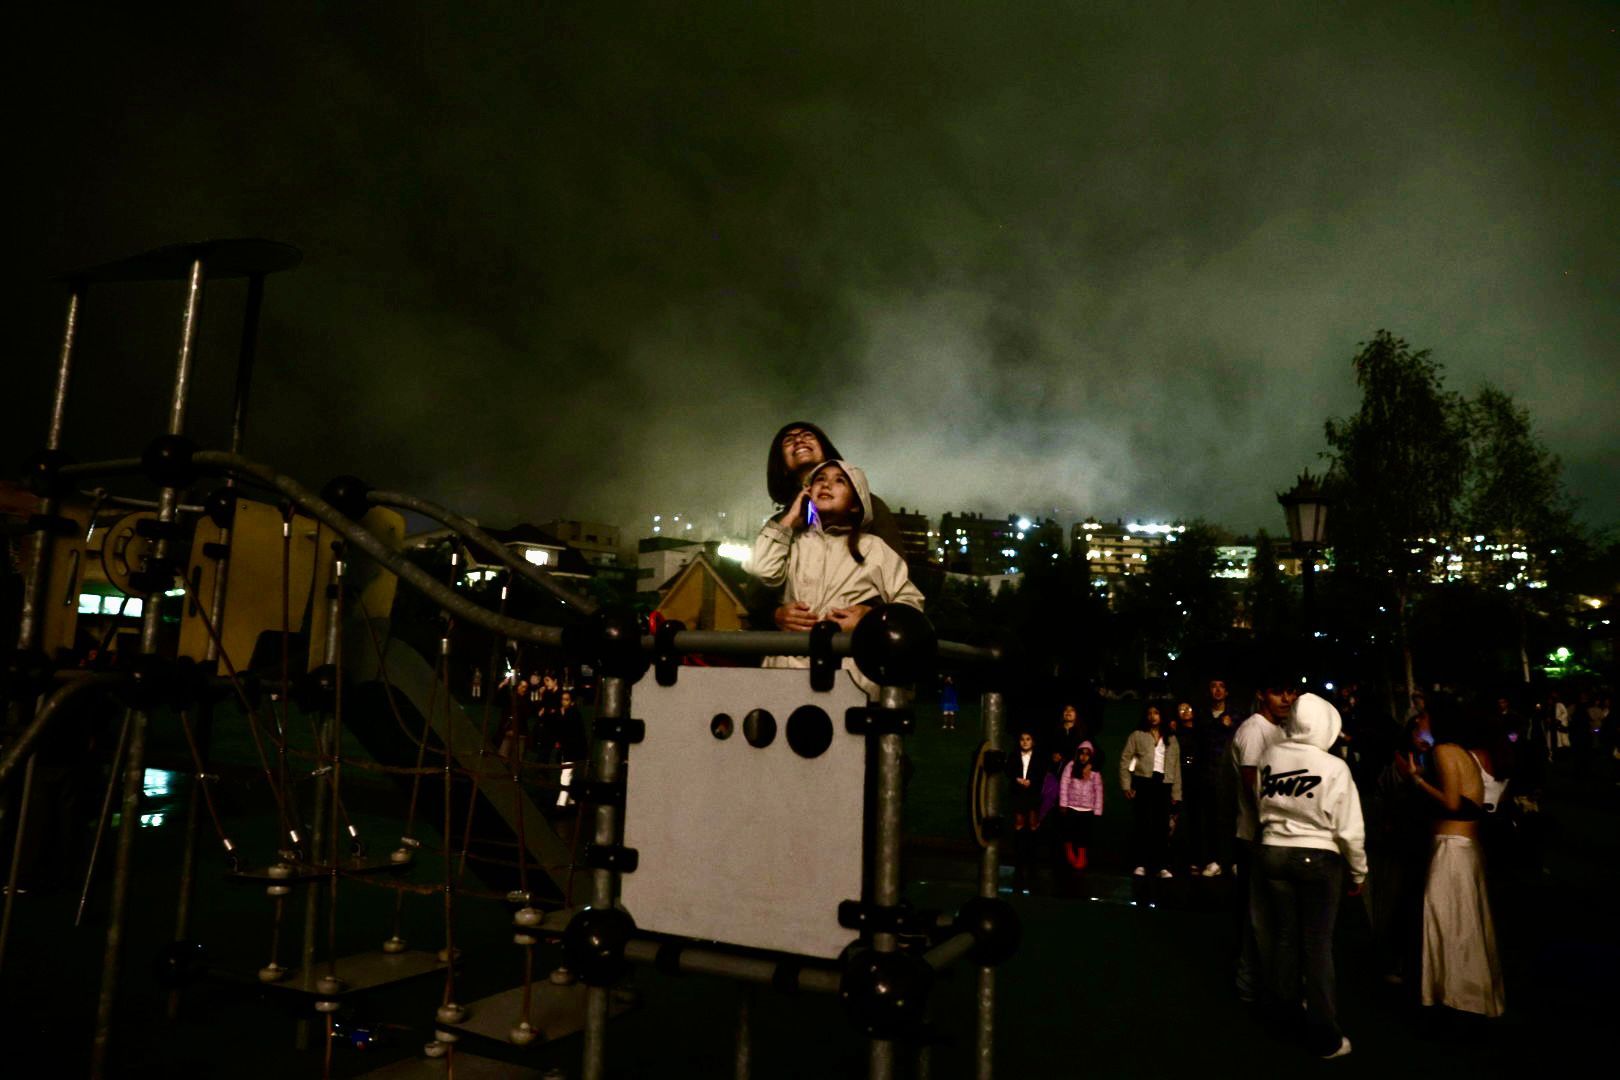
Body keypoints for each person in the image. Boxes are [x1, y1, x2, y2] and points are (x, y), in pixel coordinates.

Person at [1256, 692, 1367, 1059]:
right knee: (1317, 945)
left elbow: (1262, 799)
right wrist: (1358, 872)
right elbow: (1349, 829)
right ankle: (1324, 1036)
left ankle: (1282, 1018)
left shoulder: (1272, 755)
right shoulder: (1334, 767)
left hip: (1272, 851)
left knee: (1285, 937)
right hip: (1316, 856)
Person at [750, 460, 924, 694]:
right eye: (820, 479)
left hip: (849, 676)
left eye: (839, 480)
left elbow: (911, 605)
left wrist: (870, 619)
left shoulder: (874, 548)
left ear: (856, 504)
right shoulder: (793, 542)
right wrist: (791, 516)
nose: (826, 484)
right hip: (786, 670)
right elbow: (761, 568)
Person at [1396, 704, 1506, 1018]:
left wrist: (1415, 779)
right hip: (1465, 846)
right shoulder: (1460, 752)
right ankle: (1468, 995)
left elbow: (1452, 801)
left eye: (1424, 716)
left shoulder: (1444, 750)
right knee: (1464, 922)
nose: (1418, 720)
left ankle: (1456, 997)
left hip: (1452, 848)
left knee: (1447, 922)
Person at [758, 422, 908, 633]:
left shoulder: (869, 508)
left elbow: (900, 580)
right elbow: (757, 589)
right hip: (791, 650)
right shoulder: (780, 524)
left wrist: (872, 614)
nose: (799, 440)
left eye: (807, 435)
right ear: (781, 464)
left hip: (849, 647)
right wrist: (775, 615)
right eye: (789, 440)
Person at [1230, 677, 1295, 1002]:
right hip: (1255, 835)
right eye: (1277, 690)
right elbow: (1253, 789)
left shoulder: (1283, 730)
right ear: (1261, 693)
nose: (1286, 698)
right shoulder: (1255, 731)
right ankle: (1249, 984)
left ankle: (1260, 981)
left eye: (1291, 691)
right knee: (1256, 915)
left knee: (1269, 916)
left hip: (1273, 836)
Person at [1120, 704, 1182, 878]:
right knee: (1143, 823)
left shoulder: (1171, 738)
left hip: (1163, 783)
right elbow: (1126, 760)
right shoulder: (1138, 735)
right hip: (1143, 781)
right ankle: (1141, 863)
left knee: (1162, 825)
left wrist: (1176, 793)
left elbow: (1176, 767)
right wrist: (1127, 785)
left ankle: (1161, 865)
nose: (1153, 716)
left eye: (1156, 712)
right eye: (1149, 713)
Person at [1202, 678, 1239, 876]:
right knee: (1211, 819)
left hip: (1230, 774)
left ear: (1226, 692)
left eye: (1221, 686)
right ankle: (1214, 860)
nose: (1217, 690)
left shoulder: (1235, 716)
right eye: (1213, 686)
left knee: (1232, 819)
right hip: (1209, 774)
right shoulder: (1204, 715)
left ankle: (1233, 860)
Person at [1171, 701, 1212, 876]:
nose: (1186, 712)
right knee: (1177, 820)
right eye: (1182, 709)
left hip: (1197, 780)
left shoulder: (1201, 731)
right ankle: (1176, 861)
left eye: (1189, 708)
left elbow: (1206, 754)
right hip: (1178, 779)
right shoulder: (1174, 733)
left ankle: (1197, 860)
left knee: (1197, 821)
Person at [1054, 742, 1104, 886]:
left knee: (1084, 834)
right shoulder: (1070, 766)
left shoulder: (1094, 772)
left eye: (1087, 754)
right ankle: (1069, 851)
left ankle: (1081, 856)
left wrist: (1097, 809)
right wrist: (1063, 803)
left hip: (1087, 808)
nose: (1083, 757)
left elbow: (1098, 791)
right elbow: (1064, 785)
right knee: (1069, 832)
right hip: (1071, 806)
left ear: (1091, 756)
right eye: (1081, 753)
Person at [1007, 730, 1047, 891]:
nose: (1024, 742)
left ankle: (1032, 855)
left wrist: (1031, 781)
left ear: (1033, 742)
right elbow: (1008, 770)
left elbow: (1041, 772)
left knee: (1032, 822)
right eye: (1022, 739)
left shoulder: (1037, 757)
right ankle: (1019, 855)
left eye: (1028, 739)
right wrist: (1017, 779)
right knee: (1019, 822)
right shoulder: (1014, 755)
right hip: (1018, 793)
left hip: (1032, 793)